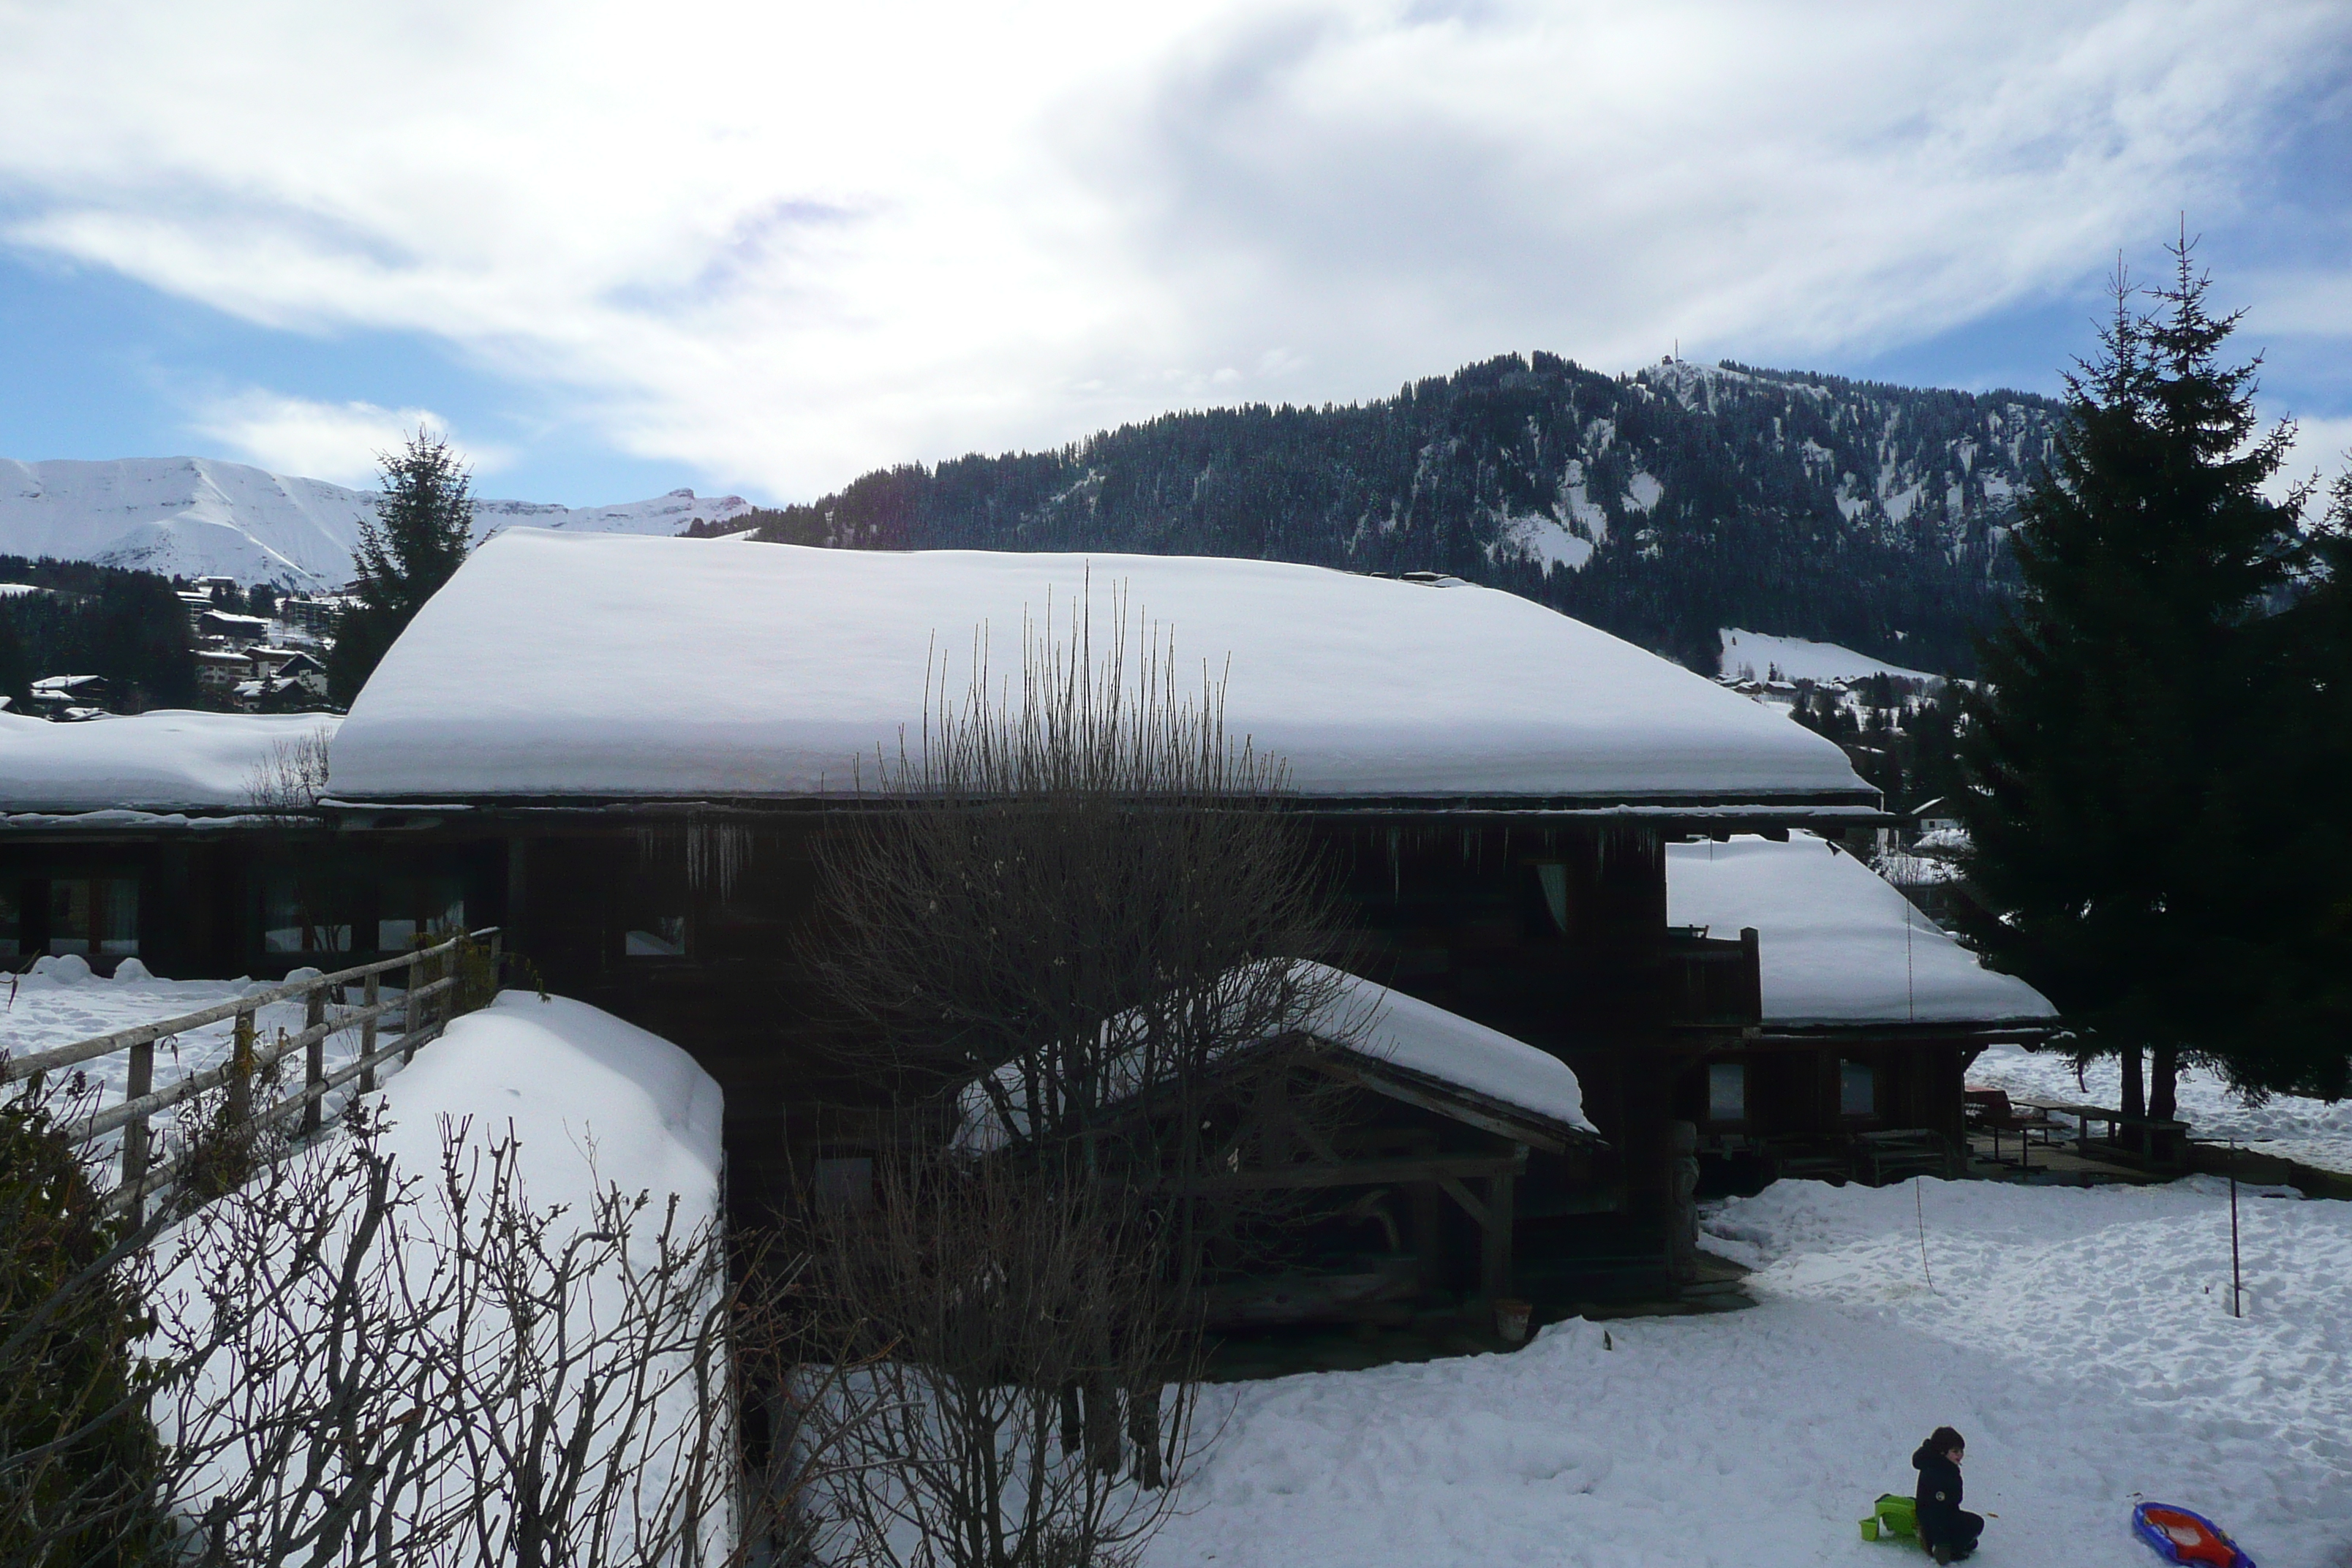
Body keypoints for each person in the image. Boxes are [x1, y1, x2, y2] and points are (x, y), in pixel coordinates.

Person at [1912, 1426, 1984, 1563]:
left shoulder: (1939, 1465)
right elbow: (1937, 1513)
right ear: (1942, 1452)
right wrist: (1943, 1543)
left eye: (1961, 1451)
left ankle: (1952, 1542)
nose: (1960, 1455)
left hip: (1940, 1515)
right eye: (1955, 1451)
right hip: (1934, 1521)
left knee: (1971, 1535)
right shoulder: (1939, 1474)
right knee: (1976, 1524)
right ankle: (1943, 1547)